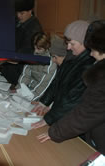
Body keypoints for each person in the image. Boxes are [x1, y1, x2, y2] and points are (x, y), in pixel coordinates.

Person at [36, 25, 105, 155]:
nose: (91, 53)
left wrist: (55, 131)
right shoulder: (75, 59)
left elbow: (86, 112)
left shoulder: (98, 75)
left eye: (94, 50)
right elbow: (58, 82)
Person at [31, 20, 95, 128]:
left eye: (72, 43)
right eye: (67, 43)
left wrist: (49, 118)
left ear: (85, 42)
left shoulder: (89, 65)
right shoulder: (71, 55)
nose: (68, 47)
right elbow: (57, 81)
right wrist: (44, 102)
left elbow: (72, 99)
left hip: (73, 121)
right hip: (61, 115)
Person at [0, 0, 43, 86]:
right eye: (17, 13)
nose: (18, 16)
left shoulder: (34, 29)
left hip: (20, 72)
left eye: (22, 13)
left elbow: (24, 54)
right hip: (9, 66)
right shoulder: (19, 21)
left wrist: (4, 58)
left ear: (30, 11)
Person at [15, 32, 59, 101]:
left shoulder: (51, 63)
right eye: (34, 47)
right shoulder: (34, 54)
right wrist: (18, 89)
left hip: (40, 96)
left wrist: (31, 98)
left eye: (39, 49)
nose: (35, 51)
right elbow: (25, 75)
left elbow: (43, 86)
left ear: (47, 47)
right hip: (29, 90)